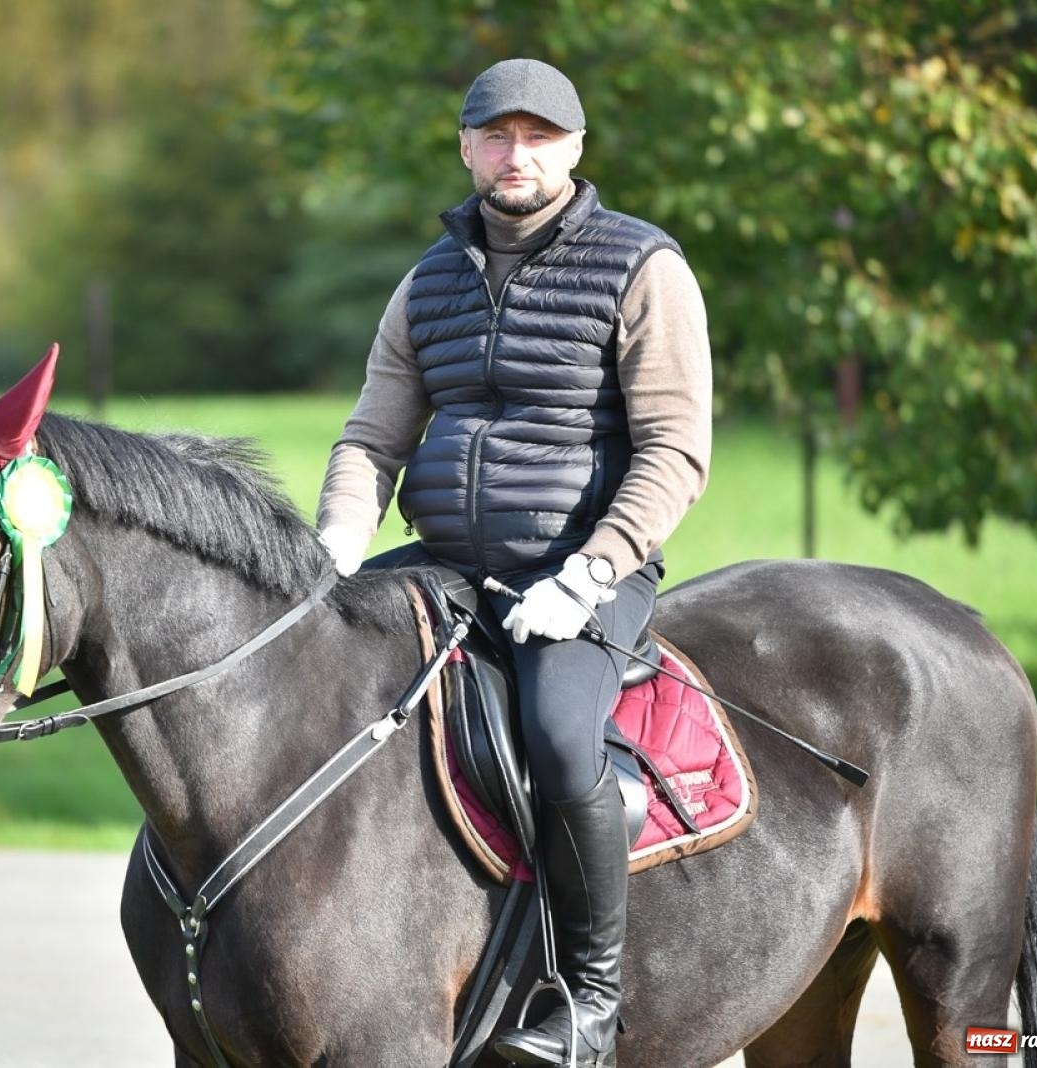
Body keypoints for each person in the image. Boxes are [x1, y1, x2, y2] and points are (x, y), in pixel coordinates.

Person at [315, 58, 712, 1067]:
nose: (516, 154)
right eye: (497, 135)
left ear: (575, 149)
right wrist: (336, 545)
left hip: (583, 570)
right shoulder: (427, 281)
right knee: (315, 679)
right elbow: (371, 438)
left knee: (560, 739)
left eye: (539, 137)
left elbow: (675, 450)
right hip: (443, 557)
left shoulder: (642, 266)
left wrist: (590, 574)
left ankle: (589, 1005)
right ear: (466, 148)